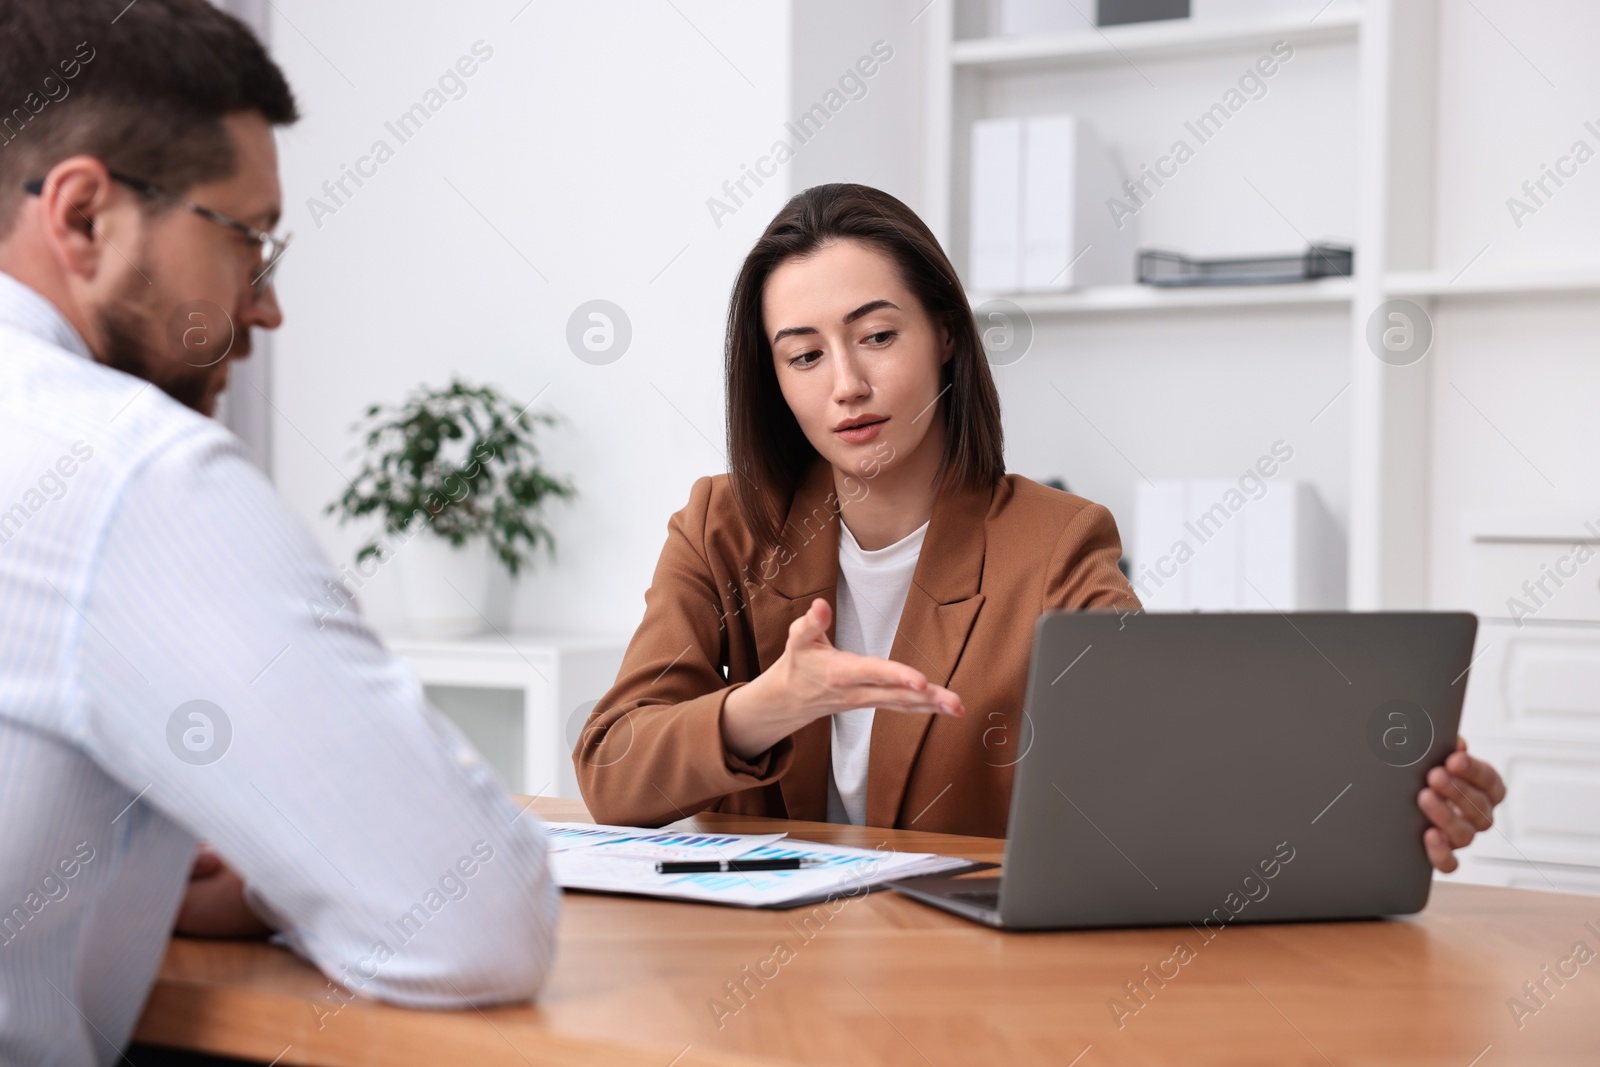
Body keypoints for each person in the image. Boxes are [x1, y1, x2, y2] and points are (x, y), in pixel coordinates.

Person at [574, 183, 1507, 871]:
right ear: (774, 381)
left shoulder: (1056, 543)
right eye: (804, 355)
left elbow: (1170, 751)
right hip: (756, 983)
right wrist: (769, 703)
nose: (845, 385)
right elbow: (613, 768)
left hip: (964, 981)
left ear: (944, 333)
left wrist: (1387, 800)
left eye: (878, 336)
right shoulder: (721, 524)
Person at [0, 3, 557, 1063]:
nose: (266, 307)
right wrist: (274, 874)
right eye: (246, 238)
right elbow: (476, 922)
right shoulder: (126, 470)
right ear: (82, 218)